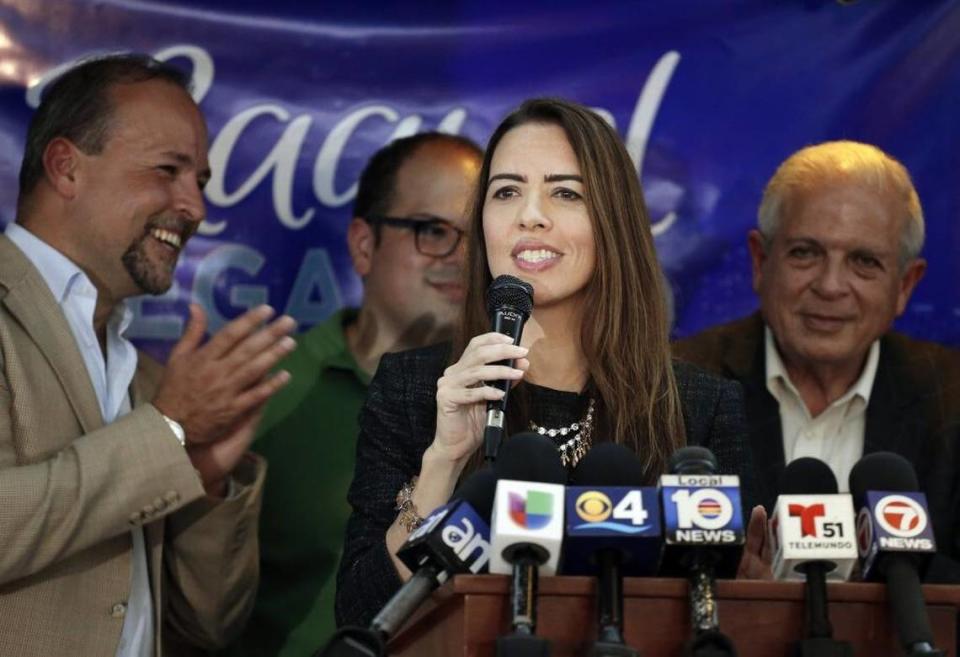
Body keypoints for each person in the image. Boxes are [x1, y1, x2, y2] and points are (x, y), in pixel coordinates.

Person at [335, 97, 763, 628]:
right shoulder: (415, 389)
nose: (530, 216)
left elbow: (725, 615)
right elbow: (360, 617)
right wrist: (443, 460)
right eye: (507, 191)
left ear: (613, 221)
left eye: (565, 193)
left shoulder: (700, 405)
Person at [0, 54, 297, 656]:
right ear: (66, 168)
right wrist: (166, 432)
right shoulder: (164, 404)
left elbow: (206, 627)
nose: (195, 208)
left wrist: (206, 478)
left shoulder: (148, 376)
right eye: (168, 170)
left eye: (201, 181)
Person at [224, 132, 482, 657]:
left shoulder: (512, 402)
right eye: (433, 230)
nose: (461, 258)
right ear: (364, 245)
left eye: (477, 237)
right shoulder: (264, 388)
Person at [673, 140, 960, 581]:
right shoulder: (677, 385)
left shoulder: (952, 401)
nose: (830, 286)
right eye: (805, 252)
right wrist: (723, 577)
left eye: (864, 262)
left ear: (905, 284)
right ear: (760, 261)